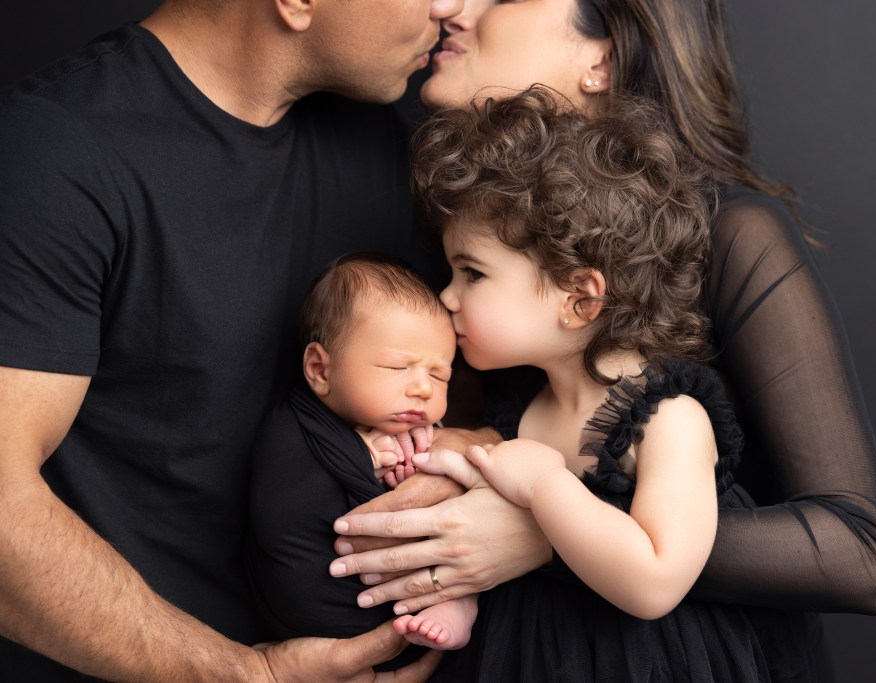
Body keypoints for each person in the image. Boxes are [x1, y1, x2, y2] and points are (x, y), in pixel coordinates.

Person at [330, 0, 876, 679]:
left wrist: (553, 530)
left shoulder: (730, 238)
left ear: (601, 58)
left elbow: (859, 554)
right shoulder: (456, 221)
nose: (453, 6)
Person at [0, 0, 467, 680]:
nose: (452, 5)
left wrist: (484, 483)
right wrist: (250, 675)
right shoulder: (55, 151)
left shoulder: (394, 133)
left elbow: (479, 385)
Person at [407, 86, 779, 681]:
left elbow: (657, 581)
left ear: (580, 300)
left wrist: (544, 485)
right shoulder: (519, 403)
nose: (446, 296)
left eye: (472, 273)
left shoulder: (669, 419)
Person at [247, 254, 477, 668]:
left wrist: (420, 463)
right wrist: (364, 459)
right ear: (319, 369)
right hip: (316, 638)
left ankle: (461, 603)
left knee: (467, 531)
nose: (424, 389)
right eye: (397, 367)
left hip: (405, 615)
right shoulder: (292, 427)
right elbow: (284, 505)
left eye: (440, 375)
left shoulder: (417, 427)